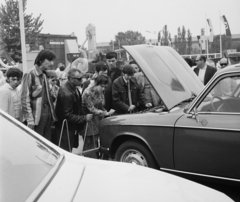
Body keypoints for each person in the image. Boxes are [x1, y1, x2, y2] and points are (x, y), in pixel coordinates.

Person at [21, 49, 58, 140]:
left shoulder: (44, 75)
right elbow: (24, 99)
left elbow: (48, 96)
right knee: (37, 144)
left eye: (53, 60)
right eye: (49, 60)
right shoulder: (30, 74)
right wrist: (30, 119)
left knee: (47, 143)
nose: (52, 63)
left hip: (47, 114)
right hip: (36, 116)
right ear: (41, 60)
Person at [55, 68, 93, 152]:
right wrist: (84, 118)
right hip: (65, 128)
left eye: (82, 78)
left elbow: (77, 107)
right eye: (79, 79)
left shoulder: (73, 88)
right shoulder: (67, 93)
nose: (82, 80)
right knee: (65, 151)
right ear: (71, 79)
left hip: (70, 126)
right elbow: (67, 115)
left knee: (68, 149)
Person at [82, 75, 115, 157]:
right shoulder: (87, 92)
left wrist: (106, 111)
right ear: (96, 84)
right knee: (89, 142)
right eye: (102, 86)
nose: (103, 89)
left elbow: (100, 105)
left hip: (96, 119)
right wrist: (105, 113)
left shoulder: (100, 91)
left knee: (96, 140)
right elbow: (92, 109)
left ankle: (96, 158)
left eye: (105, 87)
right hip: (87, 119)